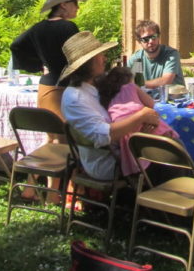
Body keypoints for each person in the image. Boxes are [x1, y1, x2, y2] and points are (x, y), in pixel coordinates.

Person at [61, 32, 161, 180]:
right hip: (107, 163)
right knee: (171, 160)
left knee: (172, 148)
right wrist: (140, 117)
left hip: (124, 150)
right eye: (100, 55)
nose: (104, 59)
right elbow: (103, 135)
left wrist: (140, 129)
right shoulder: (75, 98)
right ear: (89, 62)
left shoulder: (95, 87)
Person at [10, 0, 88, 131]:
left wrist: (39, 65)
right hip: (65, 88)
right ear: (64, 4)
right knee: (65, 137)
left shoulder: (37, 28)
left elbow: (16, 46)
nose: (77, 7)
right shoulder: (68, 27)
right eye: (75, 3)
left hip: (45, 86)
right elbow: (81, 59)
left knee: (51, 135)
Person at [95, 65, 180, 176]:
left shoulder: (107, 96)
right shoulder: (131, 86)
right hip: (139, 121)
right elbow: (151, 104)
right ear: (129, 79)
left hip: (126, 133)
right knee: (174, 142)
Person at [128, 20, 186, 90]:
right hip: (148, 98)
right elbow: (126, 80)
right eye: (146, 39)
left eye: (153, 37)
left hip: (173, 98)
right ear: (139, 42)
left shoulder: (170, 55)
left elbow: (166, 81)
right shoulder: (137, 59)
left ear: (158, 37)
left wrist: (139, 84)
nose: (151, 41)